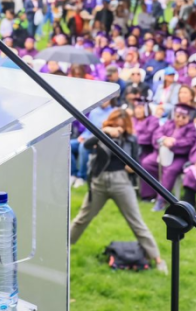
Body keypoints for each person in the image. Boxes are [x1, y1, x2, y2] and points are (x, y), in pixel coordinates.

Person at [69, 109, 167, 274]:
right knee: (82, 218)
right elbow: (85, 145)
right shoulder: (102, 135)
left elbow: (135, 161)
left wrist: (132, 168)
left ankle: (157, 259)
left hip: (121, 182)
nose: (117, 129)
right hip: (99, 182)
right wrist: (104, 132)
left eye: (121, 126)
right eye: (115, 125)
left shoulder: (131, 139)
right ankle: (62, 248)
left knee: (136, 222)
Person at [143, 103, 196, 212]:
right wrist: (164, 140)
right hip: (162, 152)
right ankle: (149, 195)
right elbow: (156, 134)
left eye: (183, 117)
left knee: (170, 170)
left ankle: (162, 200)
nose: (180, 119)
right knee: (147, 163)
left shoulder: (191, 129)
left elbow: (190, 143)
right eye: (177, 116)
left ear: (188, 118)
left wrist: (174, 143)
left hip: (180, 156)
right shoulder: (168, 124)